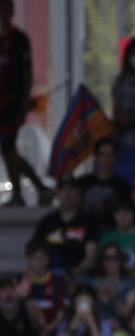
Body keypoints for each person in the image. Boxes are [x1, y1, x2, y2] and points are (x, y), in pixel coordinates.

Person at [0, 0, 47, 205]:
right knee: (8, 150)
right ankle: (39, 187)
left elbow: (26, 75)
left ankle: (19, 193)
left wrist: (23, 103)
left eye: (6, 8)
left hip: (13, 106)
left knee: (8, 146)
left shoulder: (19, 40)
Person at [31, 180, 99, 277]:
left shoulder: (88, 221)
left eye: (71, 190)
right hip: (49, 276)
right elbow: (36, 252)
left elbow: (91, 259)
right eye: (63, 190)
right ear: (57, 194)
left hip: (80, 276)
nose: (67, 194)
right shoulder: (47, 222)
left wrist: (71, 273)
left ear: (78, 194)